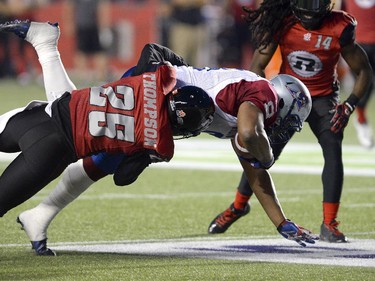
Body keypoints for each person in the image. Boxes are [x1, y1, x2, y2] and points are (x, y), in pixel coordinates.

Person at [1, 20, 318, 256]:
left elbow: (253, 167)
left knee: (76, 120)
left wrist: (281, 221)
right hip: (157, 90)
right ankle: (46, 45)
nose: (284, 129)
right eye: (289, 121)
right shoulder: (261, 95)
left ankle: (39, 215)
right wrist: (267, 156)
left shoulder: (249, 113)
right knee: (89, 140)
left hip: (161, 94)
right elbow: (252, 137)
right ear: (282, 102)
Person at [0, 20, 216, 251]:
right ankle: (45, 44)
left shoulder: (157, 78)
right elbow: (122, 178)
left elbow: (150, 50)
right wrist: (146, 155)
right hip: (53, 151)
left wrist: (181, 67)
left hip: (41, 115)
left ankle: (45, 44)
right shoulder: (159, 143)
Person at [207, 0, 373, 243]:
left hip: (322, 99)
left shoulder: (339, 26)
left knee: (333, 148)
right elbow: (257, 67)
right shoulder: (282, 20)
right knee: (259, 152)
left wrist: (349, 105)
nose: (309, 15)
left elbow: (364, 70)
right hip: (287, 98)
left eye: (314, 9)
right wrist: (260, 102)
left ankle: (329, 223)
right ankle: (238, 206)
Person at [340, 0, 374, 148]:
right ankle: (361, 119)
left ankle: (361, 119)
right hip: (357, 44)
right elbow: (339, 16)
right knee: (366, 83)